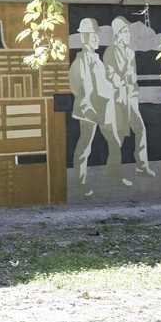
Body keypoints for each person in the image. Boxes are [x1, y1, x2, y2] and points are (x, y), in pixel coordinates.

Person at [69, 18, 129, 195]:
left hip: (104, 108)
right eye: (93, 36)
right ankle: (81, 182)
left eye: (97, 35)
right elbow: (75, 87)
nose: (97, 39)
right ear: (85, 38)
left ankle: (116, 175)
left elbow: (103, 82)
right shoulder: (79, 62)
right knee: (85, 146)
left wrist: (113, 87)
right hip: (89, 110)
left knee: (114, 141)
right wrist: (89, 99)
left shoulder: (97, 59)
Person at [103, 16, 155, 178]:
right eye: (126, 32)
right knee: (118, 136)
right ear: (118, 34)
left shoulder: (130, 53)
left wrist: (133, 89)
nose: (129, 35)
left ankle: (142, 166)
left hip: (131, 99)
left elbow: (133, 76)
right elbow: (109, 74)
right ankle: (114, 170)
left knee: (140, 130)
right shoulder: (111, 51)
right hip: (118, 101)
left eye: (128, 32)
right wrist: (122, 80)